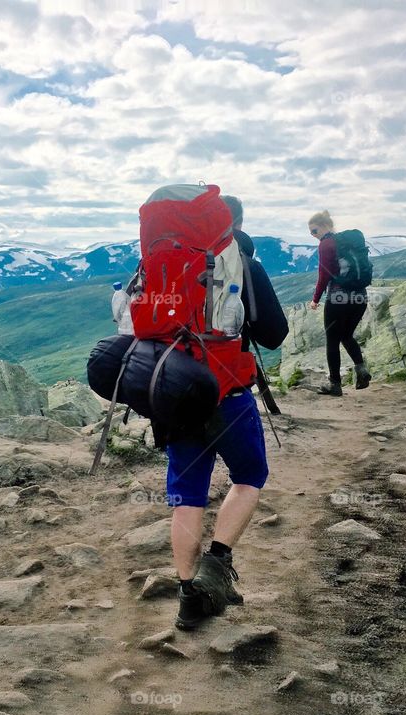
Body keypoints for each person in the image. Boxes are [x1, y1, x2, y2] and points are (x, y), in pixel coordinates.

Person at [164, 197, 289, 631]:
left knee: (186, 494)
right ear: (235, 223)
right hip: (226, 393)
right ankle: (217, 564)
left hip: (174, 395)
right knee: (249, 476)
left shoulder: (161, 263)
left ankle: (187, 597)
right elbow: (274, 334)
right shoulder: (242, 265)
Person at [308, 210, 370, 396]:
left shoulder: (326, 244)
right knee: (346, 335)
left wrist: (315, 299)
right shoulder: (349, 243)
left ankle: (335, 384)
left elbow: (324, 274)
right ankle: (361, 370)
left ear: (325, 226)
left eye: (314, 230)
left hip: (338, 297)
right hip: (360, 296)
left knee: (332, 340)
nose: (313, 235)